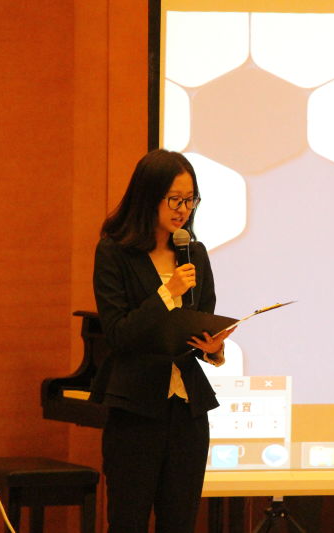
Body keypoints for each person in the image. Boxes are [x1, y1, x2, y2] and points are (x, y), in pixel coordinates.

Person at [91, 149, 233, 532]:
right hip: (135, 411)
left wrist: (214, 349)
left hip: (188, 413)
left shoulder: (194, 253)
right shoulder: (114, 253)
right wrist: (167, 294)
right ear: (149, 196)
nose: (183, 209)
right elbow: (118, 334)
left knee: (180, 522)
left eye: (190, 199)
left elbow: (201, 320)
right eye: (174, 199)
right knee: (128, 521)